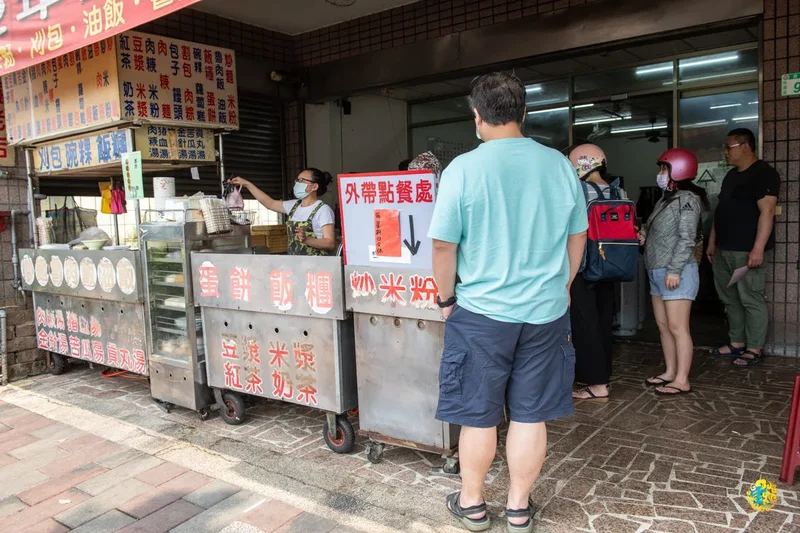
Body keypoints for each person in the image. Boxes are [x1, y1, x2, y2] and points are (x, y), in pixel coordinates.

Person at [428, 72, 587, 533]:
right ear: (524, 113)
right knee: (530, 413)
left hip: (480, 312)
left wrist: (446, 298)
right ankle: (518, 508)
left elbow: (443, 246)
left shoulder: (462, 169)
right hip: (545, 312)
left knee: (478, 413)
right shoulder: (558, 165)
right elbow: (578, 234)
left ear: (477, 117)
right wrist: (564, 283)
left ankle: (473, 505)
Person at [707, 128, 779, 368]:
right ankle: (736, 342)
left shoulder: (764, 174)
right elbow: (721, 211)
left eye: (729, 147)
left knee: (751, 298)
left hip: (747, 250)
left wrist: (758, 249)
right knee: (730, 299)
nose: (725, 152)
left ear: (745, 146)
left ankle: (754, 347)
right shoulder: (730, 176)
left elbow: (767, 212)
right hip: (724, 249)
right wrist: (712, 242)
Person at [640, 149, 708, 395]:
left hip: (675, 271)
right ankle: (670, 372)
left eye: (663, 169)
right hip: (657, 269)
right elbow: (652, 224)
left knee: (678, 327)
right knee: (663, 325)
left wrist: (675, 270)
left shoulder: (687, 199)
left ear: (678, 171)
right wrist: (644, 233)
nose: (660, 174)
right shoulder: (665, 199)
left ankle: (682, 379)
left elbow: (687, 238)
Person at [567, 144, 625, 401]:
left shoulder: (579, 191)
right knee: (602, 323)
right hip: (610, 267)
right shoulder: (618, 189)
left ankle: (596, 382)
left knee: (584, 323)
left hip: (583, 267)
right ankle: (601, 375)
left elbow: (572, 231)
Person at [232, 169, 336, 256]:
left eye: (302, 180)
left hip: (317, 267)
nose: (297, 183)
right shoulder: (294, 206)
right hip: (295, 265)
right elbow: (270, 203)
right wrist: (247, 184)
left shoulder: (323, 210)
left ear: (314, 187)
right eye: (297, 180)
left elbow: (330, 242)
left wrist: (307, 240)